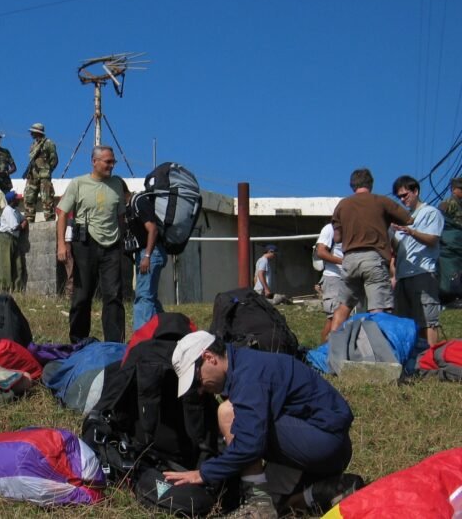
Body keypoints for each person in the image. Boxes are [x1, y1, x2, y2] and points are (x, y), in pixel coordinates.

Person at [165, 331, 358, 517]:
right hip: (324, 443)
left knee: (228, 413)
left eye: (197, 380)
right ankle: (334, 488)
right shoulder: (245, 364)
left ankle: (258, 504)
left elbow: (250, 444)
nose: (199, 390)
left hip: (325, 442)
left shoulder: (249, 377)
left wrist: (203, 473)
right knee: (275, 503)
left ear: (209, 357)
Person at [56, 145, 126, 343]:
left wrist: (121, 239)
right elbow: (62, 214)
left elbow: (120, 215)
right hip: (85, 245)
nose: (111, 166)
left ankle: (114, 344)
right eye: (107, 162)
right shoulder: (78, 183)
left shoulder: (117, 185)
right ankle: (78, 342)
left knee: (113, 296)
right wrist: (62, 245)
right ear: (94, 162)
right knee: (82, 296)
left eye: (113, 162)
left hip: (111, 246)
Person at [330, 168, 413, 332]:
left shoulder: (343, 205)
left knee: (344, 305)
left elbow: (337, 238)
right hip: (373, 259)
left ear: (352, 186)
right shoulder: (381, 201)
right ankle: (379, 352)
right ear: (371, 184)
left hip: (350, 260)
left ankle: (332, 346)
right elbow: (408, 219)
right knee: (378, 308)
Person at [391, 175, 444, 346]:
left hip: (423, 273)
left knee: (427, 321)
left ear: (416, 191)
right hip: (402, 276)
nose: (402, 199)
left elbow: (433, 239)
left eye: (405, 195)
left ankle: (431, 357)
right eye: (399, 197)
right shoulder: (403, 218)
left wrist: (411, 231)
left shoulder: (431, 213)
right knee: (406, 322)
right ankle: (416, 359)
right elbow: (397, 249)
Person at [123, 181, 167, 331]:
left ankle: (140, 338)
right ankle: (168, 328)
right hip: (143, 253)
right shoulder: (128, 208)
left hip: (151, 253)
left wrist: (147, 256)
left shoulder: (139, 201)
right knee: (150, 298)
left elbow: (152, 229)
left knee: (143, 297)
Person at [315, 223, 345, 342]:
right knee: (333, 318)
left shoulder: (351, 226)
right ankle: (322, 353)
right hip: (334, 277)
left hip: (347, 278)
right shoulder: (330, 229)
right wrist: (344, 262)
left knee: (342, 317)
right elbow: (321, 252)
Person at [23, 122, 58, 222]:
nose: (31, 134)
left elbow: (54, 160)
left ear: (37, 132)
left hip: (44, 176)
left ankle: (49, 219)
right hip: (32, 176)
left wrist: (47, 170)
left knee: (46, 199)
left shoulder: (48, 143)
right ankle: (29, 219)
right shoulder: (33, 145)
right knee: (29, 197)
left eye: (33, 132)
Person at [0, 191, 27, 293]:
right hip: (5, 238)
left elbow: (24, 219)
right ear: (12, 200)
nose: (19, 199)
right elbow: (15, 227)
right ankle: (5, 291)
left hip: (14, 239)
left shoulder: (16, 210)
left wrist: (24, 222)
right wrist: (22, 225)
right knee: (6, 265)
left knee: (18, 265)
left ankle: (17, 290)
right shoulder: (8, 210)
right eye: (17, 198)